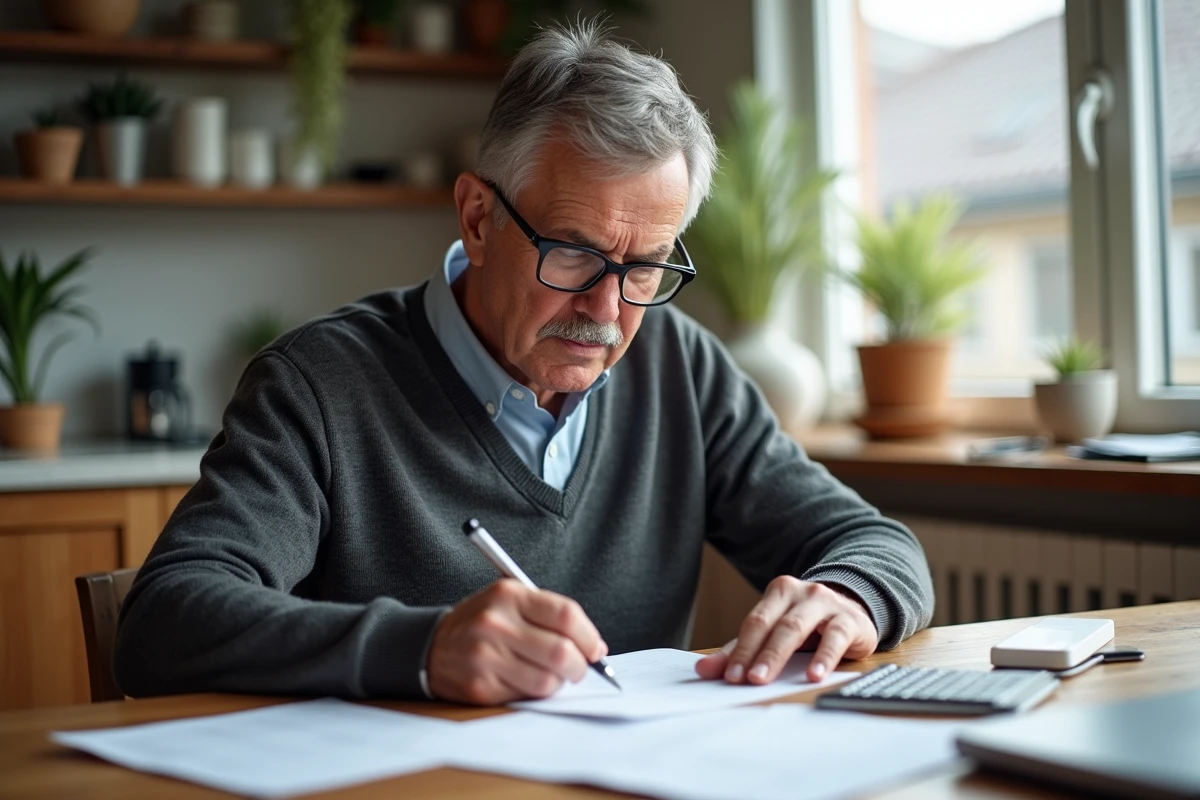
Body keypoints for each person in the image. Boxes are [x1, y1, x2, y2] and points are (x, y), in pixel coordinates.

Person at [114, 20, 933, 706]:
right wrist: (423, 647)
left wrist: (852, 596)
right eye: (574, 254)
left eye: (645, 266)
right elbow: (164, 621)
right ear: (477, 218)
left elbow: (873, 542)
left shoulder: (682, 368)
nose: (609, 313)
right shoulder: (320, 385)